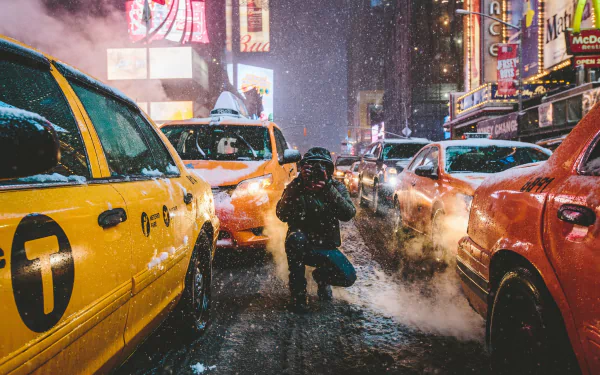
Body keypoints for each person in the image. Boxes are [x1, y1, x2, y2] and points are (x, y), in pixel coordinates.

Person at [276, 147, 357, 312]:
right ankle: (298, 296)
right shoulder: (296, 186)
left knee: (348, 277)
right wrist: (298, 184)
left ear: (328, 171)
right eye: (312, 167)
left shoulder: (334, 187)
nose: (316, 172)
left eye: (322, 168)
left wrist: (327, 189)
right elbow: (281, 214)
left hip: (325, 247)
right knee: (295, 239)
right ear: (304, 168)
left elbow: (348, 213)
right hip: (302, 247)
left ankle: (321, 278)